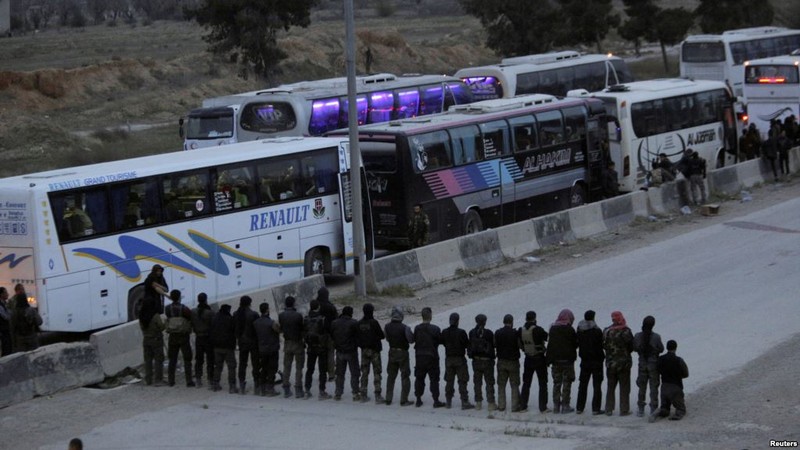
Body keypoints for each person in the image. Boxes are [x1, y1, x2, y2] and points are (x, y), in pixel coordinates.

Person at [649, 340, 689, 422]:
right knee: (681, 409)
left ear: (666, 348)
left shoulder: (660, 359)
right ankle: (677, 414)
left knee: (665, 409)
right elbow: (686, 374)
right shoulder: (678, 360)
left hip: (664, 388)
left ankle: (659, 411)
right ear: (675, 348)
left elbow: (657, 370)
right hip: (675, 387)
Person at [440, 312, 474, 410]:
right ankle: (464, 401)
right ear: (458, 321)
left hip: (449, 359)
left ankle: (448, 401)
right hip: (459, 359)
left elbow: (442, 341)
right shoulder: (461, 332)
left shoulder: (445, 332)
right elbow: (467, 344)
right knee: (462, 380)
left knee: (449, 381)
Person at [603, 310, 634, 416]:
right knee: (624, 387)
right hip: (624, 364)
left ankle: (608, 409)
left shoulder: (606, 331)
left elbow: (603, 345)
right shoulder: (626, 331)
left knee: (610, 386)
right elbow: (631, 347)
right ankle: (624, 409)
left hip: (610, 363)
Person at [547, 308, 578, 414]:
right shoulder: (570, 329)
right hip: (567, 361)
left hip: (555, 361)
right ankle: (565, 405)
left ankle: (556, 405)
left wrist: (549, 359)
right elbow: (575, 343)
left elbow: (550, 344)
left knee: (556, 383)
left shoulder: (553, 329)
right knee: (567, 383)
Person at [413, 306, 445, 408]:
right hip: (432, 357)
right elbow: (440, 341)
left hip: (420, 356)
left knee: (419, 378)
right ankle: (436, 400)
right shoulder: (435, 329)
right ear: (430, 316)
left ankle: (418, 399)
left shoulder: (417, 328)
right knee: (434, 379)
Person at [519, 310, 549, 414]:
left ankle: (523, 405)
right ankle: (543, 407)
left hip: (528, 358)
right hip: (539, 358)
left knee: (526, 383)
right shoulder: (538, 329)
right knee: (542, 383)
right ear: (534, 318)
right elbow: (547, 337)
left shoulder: (521, 330)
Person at [634, 315, 664, 417]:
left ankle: (641, 408)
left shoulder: (637, 336)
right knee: (653, 387)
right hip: (653, 365)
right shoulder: (656, 337)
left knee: (642, 387)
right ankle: (653, 407)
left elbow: (634, 348)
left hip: (642, 364)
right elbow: (661, 349)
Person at [383, 305, 414, 406]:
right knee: (405, 376)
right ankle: (403, 400)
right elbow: (411, 340)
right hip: (403, 353)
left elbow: (387, 338)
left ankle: (388, 398)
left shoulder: (387, 326)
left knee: (391, 376)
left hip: (392, 352)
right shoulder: (405, 328)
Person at [576, 310, 605, 415]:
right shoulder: (597, 331)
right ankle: (596, 408)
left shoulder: (579, 330)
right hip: (596, 360)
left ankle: (579, 407)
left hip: (584, 360)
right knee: (597, 385)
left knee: (583, 384)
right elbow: (601, 344)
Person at [331, 305, 361, 401]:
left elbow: (332, 335)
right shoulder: (354, 323)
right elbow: (358, 336)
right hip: (351, 351)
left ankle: (338, 393)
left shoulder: (334, 323)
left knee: (339, 374)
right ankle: (355, 393)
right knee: (354, 373)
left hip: (339, 351)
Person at [164, 290, 194, 387]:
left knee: (172, 359)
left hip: (172, 336)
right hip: (183, 335)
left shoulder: (167, 308)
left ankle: (171, 381)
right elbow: (190, 317)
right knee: (187, 358)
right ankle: (189, 381)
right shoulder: (184, 308)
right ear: (179, 297)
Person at [357, 303, 385, 403]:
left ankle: (363, 394)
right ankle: (378, 395)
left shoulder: (359, 323)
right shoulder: (374, 322)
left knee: (364, 372)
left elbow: (357, 337)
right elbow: (382, 335)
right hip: (375, 351)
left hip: (364, 351)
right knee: (377, 372)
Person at [303, 299, 331, 400]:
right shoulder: (322, 319)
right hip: (321, 347)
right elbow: (327, 331)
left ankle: (307, 390)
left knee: (309, 369)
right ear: (318, 307)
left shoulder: (306, 318)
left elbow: (304, 332)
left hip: (310, 347)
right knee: (322, 370)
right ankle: (322, 392)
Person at [279, 296, 305, 399]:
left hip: (287, 343)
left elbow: (281, 328)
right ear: (293, 304)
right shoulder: (298, 315)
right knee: (299, 367)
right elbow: (302, 329)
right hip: (297, 343)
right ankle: (298, 389)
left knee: (287, 366)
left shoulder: (281, 315)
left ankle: (286, 389)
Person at [468, 313, 496, 411]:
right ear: (485, 322)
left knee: (477, 382)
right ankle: (491, 403)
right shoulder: (489, 333)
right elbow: (493, 345)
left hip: (476, 361)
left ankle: (478, 403)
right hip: (487, 361)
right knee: (489, 382)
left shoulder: (472, 332)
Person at [495, 313, 522, 412]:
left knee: (501, 384)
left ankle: (501, 405)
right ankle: (515, 406)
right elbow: (520, 345)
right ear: (512, 322)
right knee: (514, 384)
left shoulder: (498, 332)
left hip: (501, 361)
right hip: (513, 362)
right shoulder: (515, 333)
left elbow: (495, 344)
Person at [233, 295, 260, 395]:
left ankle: (241, 385)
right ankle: (257, 385)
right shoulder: (254, 314)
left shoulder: (236, 314)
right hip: (253, 342)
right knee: (255, 364)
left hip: (242, 342)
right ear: (250, 303)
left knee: (242, 364)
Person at [253, 302, 281, 397]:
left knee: (264, 368)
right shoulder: (271, 323)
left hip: (262, 349)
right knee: (272, 369)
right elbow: (279, 330)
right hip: (272, 349)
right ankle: (270, 388)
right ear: (267, 310)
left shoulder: (256, 323)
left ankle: (262, 388)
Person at [210, 304, 237, 393]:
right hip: (228, 347)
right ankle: (232, 386)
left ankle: (215, 384)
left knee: (218, 366)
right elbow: (234, 331)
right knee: (231, 366)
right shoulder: (230, 319)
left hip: (216, 346)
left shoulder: (214, 319)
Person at [138, 296, 165, 386]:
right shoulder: (155, 316)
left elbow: (142, 327)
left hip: (146, 339)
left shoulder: (141, 316)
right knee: (158, 360)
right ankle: (158, 380)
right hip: (156, 339)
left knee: (148, 361)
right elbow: (161, 327)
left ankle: (148, 380)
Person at [191, 292, 214, 388]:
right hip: (208, 337)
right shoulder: (210, 313)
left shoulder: (193, 311)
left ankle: (198, 379)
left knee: (199, 360)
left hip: (198, 337)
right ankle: (210, 379)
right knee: (210, 360)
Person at [10, 285, 42, 352]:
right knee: (34, 355)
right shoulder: (31, 310)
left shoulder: (14, 312)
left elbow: (12, 328)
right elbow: (40, 321)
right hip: (32, 336)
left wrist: (14, 342)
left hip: (20, 338)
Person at [317, 287, 338, 382]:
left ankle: (322, 373)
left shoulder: (316, 305)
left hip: (319, 334)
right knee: (330, 353)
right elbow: (336, 320)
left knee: (321, 354)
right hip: (329, 334)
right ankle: (331, 374)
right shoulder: (331, 307)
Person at [0, 287, 12, 356]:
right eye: (6, 292)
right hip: (3, 332)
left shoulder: (5, 304)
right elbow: (6, 317)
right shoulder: (1, 305)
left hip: (6, 330)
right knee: (5, 350)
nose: (8, 294)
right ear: (1, 294)